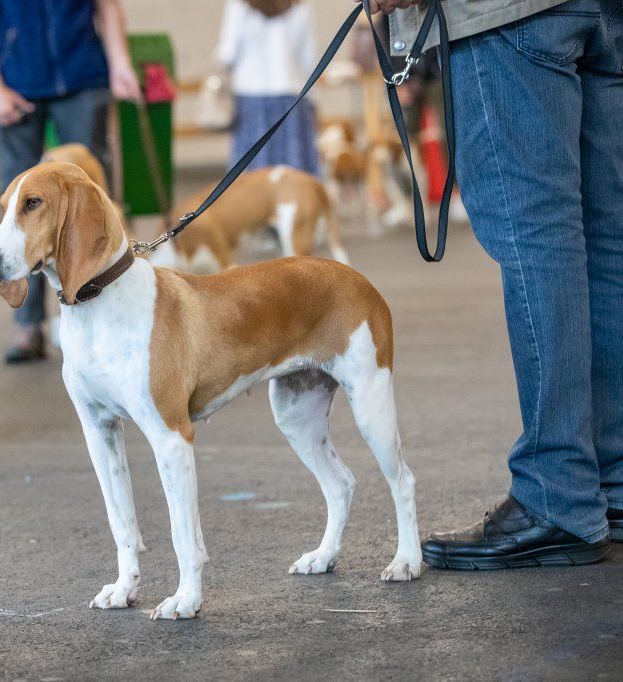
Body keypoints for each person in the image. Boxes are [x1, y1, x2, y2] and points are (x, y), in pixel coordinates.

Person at [372, 0, 622, 567]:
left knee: (537, 229)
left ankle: (557, 493)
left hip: (508, 13)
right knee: (607, 235)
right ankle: (612, 478)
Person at [0, 0, 141, 364]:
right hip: (17, 80)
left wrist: (120, 63)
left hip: (82, 77)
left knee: (91, 204)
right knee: (18, 209)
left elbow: (107, 7)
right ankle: (27, 324)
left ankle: (109, 313)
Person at [216, 0, 320, 174]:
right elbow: (309, 61)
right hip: (291, 97)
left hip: (250, 97)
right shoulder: (300, 6)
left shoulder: (238, 6)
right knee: (295, 173)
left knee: (252, 177)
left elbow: (227, 54)